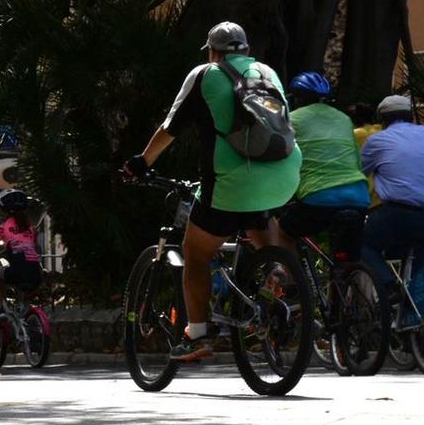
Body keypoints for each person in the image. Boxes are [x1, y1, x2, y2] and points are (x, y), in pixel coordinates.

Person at [123, 21, 302, 363]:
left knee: (195, 253)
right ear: (246, 50)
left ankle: (199, 333)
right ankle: (276, 271)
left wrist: (141, 162)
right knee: (259, 218)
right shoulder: (267, 73)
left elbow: (169, 128)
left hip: (231, 185)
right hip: (284, 174)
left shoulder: (205, 74)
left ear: (212, 51)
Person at [359, 95, 424, 320]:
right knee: (414, 269)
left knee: (362, 243)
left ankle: (389, 288)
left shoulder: (377, 140)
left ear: (383, 120)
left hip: (399, 214)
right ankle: (415, 320)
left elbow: (358, 173)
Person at [275, 71, 371, 247]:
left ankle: (289, 273)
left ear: (296, 98)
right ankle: (351, 273)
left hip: (318, 195)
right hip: (359, 196)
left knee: (282, 232)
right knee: (348, 255)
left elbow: (281, 157)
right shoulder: (344, 119)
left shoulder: (291, 119)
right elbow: (357, 161)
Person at [0, 190, 44, 306]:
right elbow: (35, 249)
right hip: (37, 275)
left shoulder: (4, 227)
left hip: (17, 273)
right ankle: (25, 310)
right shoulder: (31, 229)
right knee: (23, 277)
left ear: (3, 212)